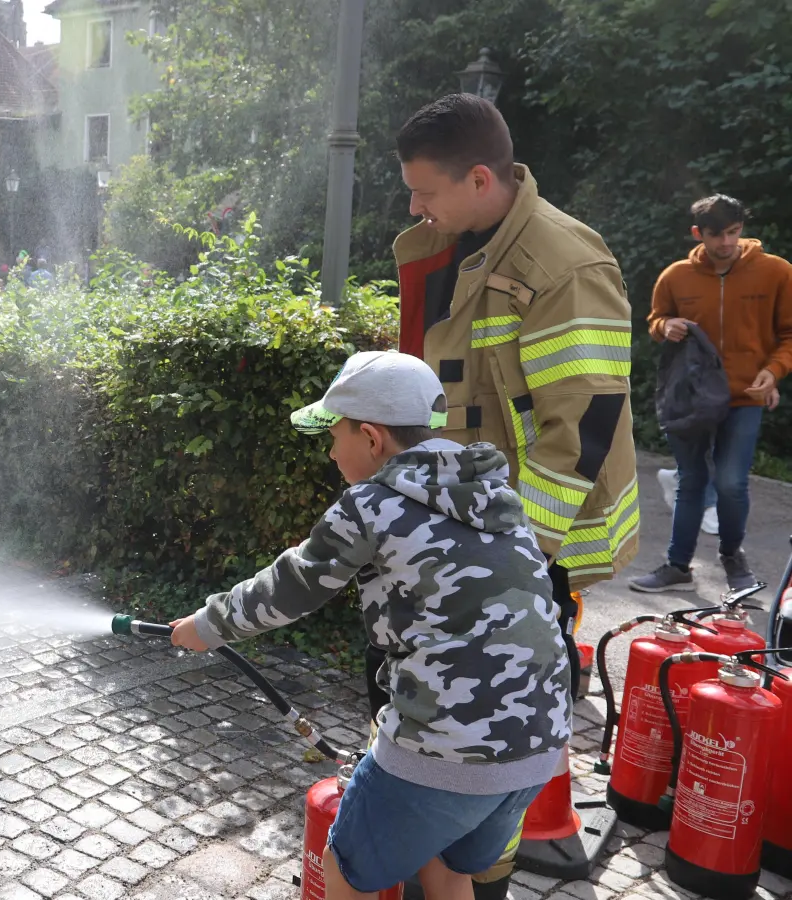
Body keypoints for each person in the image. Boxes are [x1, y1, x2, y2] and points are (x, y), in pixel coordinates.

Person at [170, 351, 572, 900]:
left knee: (346, 870)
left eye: (335, 436)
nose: (333, 452)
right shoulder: (493, 497)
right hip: (539, 742)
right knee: (448, 868)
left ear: (371, 437)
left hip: (445, 743)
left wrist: (206, 625)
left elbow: (293, 585)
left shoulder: (371, 504)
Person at [391, 93, 637, 662]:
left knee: (515, 721)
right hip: (462, 523)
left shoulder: (565, 266)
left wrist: (515, 551)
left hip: (519, 547)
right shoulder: (454, 240)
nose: (411, 207)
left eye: (424, 191)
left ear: (478, 179)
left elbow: (581, 427)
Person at [630, 195, 792, 592]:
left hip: (745, 395)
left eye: (733, 233)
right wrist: (664, 326)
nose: (726, 243)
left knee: (732, 483)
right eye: (716, 235)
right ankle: (677, 565)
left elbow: (789, 335)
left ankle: (734, 561)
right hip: (690, 395)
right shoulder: (675, 276)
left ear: (741, 228)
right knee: (691, 480)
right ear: (697, 233)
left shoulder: (776, 272)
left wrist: (774, 372)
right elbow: (655, 319)